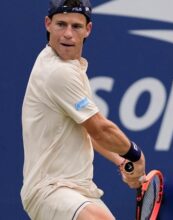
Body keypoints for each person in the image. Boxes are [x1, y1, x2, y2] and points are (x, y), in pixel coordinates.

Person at [21, 1, 145, 219]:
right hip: (50, 189)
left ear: (88, 29)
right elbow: (100, 129)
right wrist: (135, 155)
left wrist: (120, 161)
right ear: (48, 24)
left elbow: (86, 128)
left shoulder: (72, 68)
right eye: (61, 24)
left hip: (79, 189)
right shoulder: (58, 72)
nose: (68, 34)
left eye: (76, 26)